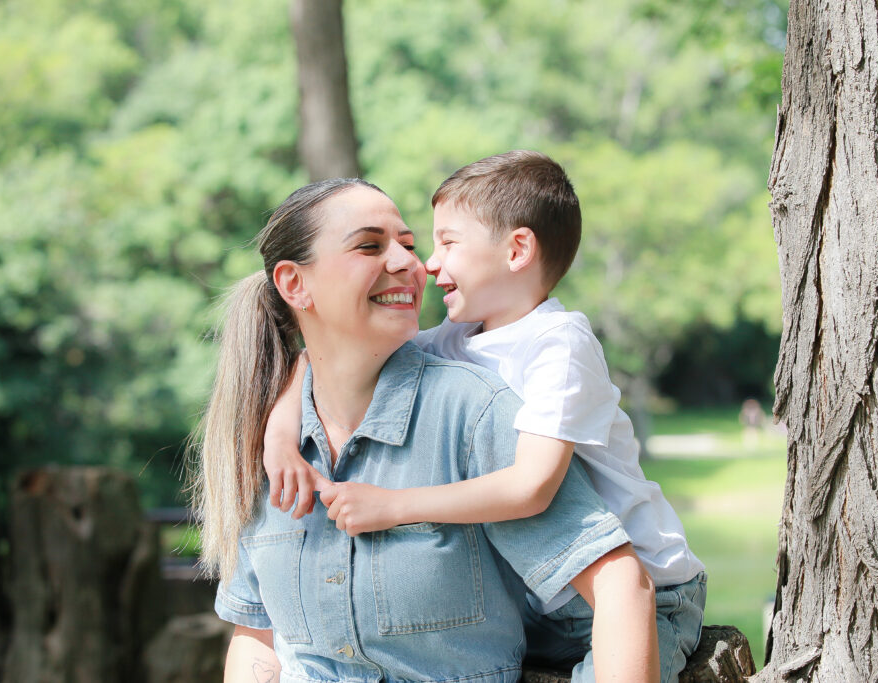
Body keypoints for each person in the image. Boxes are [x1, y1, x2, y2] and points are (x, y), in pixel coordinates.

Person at [191, 177, 659, 683]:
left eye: (410, 245)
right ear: (293, 284)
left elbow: (618, 585)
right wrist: (277, 436)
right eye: (370, 246)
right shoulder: (267, 445)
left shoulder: (473, 411)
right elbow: (256, 637)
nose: (410, 264)